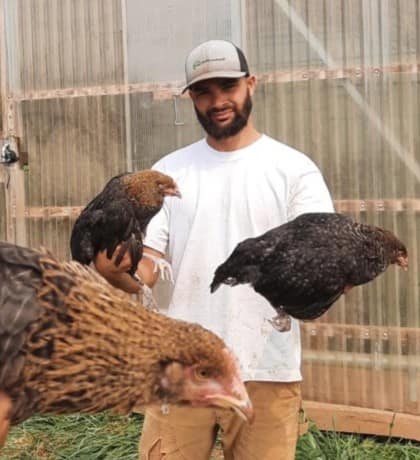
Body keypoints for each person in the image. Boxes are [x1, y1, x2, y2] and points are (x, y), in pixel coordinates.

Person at [95, 39, 334, 460]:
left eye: (228, 86)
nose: (217, 100)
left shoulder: (294, 169)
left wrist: (330, 281)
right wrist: (121, 273)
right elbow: (151, 264)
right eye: (204, 91)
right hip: (179, 365)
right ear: (191, 98)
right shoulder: (168, 172)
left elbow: (320, 254)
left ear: (251, 84)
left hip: (264, 367)